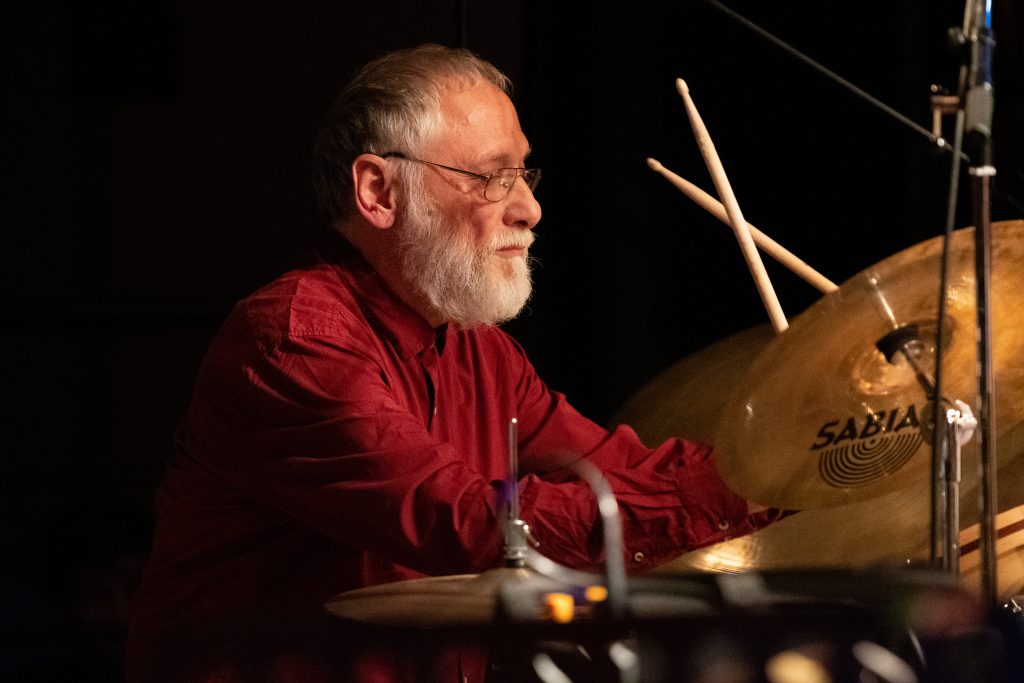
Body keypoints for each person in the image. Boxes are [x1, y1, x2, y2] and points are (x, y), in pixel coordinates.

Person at [126, 44, 777, 682]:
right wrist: (747, 487)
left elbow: (616, 470)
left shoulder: (477, 346)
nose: (529, 208)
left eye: (524, 174)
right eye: (493, 177)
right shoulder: (294, 341)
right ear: (378, 191)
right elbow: (471, 524)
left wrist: (791, 458)